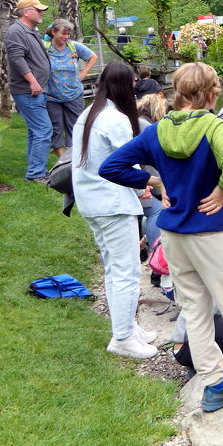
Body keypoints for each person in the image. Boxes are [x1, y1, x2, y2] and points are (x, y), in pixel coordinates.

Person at [99, 62, 223, 415]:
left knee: (195, 309)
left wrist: (155, 183)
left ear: (177, 92)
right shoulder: (213, 126)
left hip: (173, 235)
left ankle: (214, 385)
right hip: (212, 234)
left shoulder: (157, 130)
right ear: (212, 93)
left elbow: (111, 167)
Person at [72, 61, 160, 359]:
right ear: (125, 86)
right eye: (133, 85)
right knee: (127, 270)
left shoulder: (87, 114)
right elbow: (128, 160)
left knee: (114, 267)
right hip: (112, 203)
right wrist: (146, 186)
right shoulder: (116, 119)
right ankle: (122, 338)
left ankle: (127, 327)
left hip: (91, 201)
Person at [5, 0, 54, 183]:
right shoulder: (16, 31)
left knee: (36, 131)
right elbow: (17, 59)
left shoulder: (30, 31)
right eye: (38, 10)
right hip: (29, 90)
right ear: (26, 12)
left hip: (37, 89)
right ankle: (36, 173)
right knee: (43, 129)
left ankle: (36, 169)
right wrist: (33, 82)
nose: (41, 13)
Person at [44, 18, 98, 158]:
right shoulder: (45, 47)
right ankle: (62, 159)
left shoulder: (73, 46)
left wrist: (84, 73)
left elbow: (93, 57)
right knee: (55, 128)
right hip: (52, 96)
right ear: (54, 32)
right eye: (63, 34)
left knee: (76, 126)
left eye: (68, 34)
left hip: (74, 94)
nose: (66, 37)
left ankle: (75, 156)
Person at [137, 93, 169, 255]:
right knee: (156, 211)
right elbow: (150, 163)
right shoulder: (146, 126)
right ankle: (156, 252)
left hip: (139, 180)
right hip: (144, 182)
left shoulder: (137, 122)